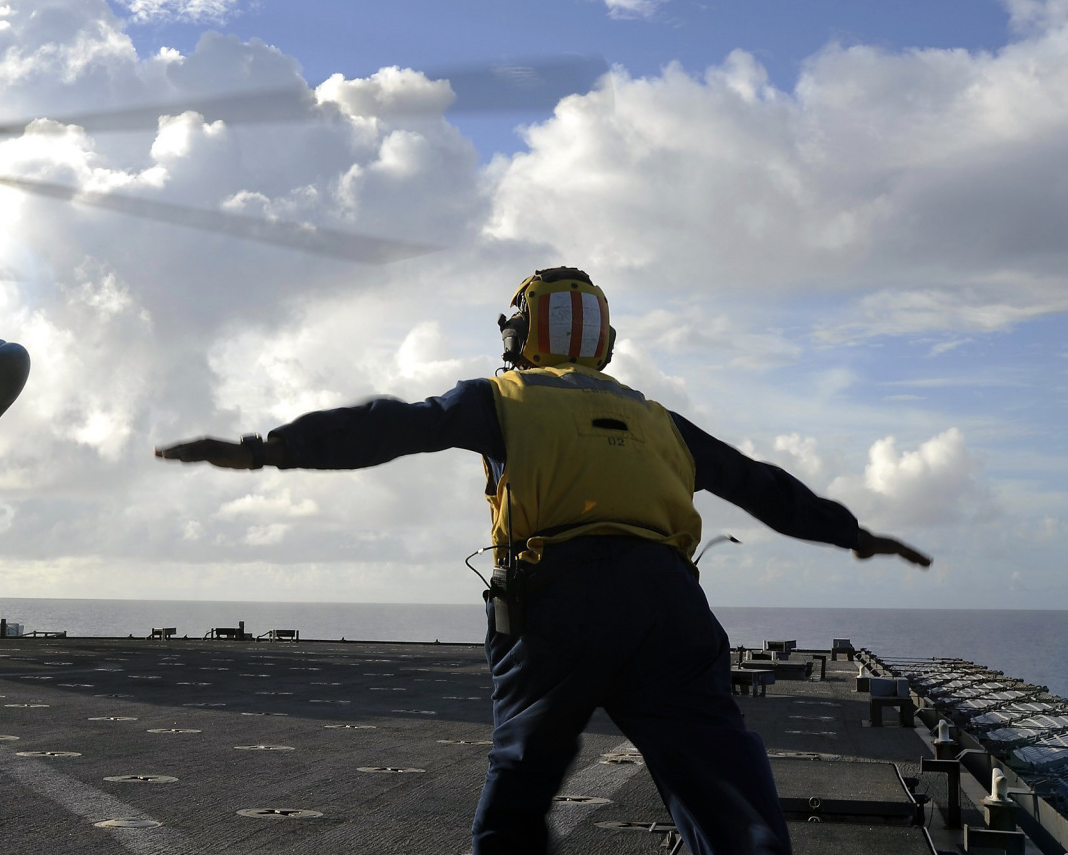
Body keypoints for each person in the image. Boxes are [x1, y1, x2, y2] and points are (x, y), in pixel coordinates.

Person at [156, 267, 932, 855]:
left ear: (518, 334)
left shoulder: (504, 397)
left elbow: (385, 427)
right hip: (671, 608)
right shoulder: (659, 420)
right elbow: (763, 487)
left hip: (557, 604)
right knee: (724, 784)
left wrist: (267, 450)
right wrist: (854, 534)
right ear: (605, 343)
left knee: (524, 780)